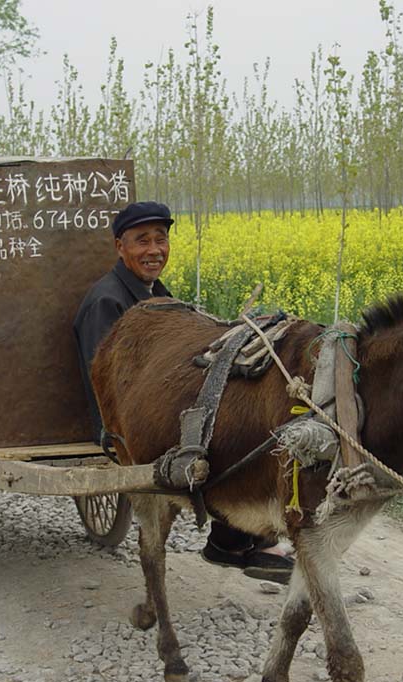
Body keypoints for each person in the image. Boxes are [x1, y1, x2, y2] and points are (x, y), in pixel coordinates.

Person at [73, 200, 294, 584]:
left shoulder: (156, 291)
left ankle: (237, 537)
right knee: (213, 444)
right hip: (127, 425)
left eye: (161, 239)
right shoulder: (107, 301)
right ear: (119, 247)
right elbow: (108, 387)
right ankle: (232, 538)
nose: (154, 250)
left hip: (159, 410)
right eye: (142, 241)